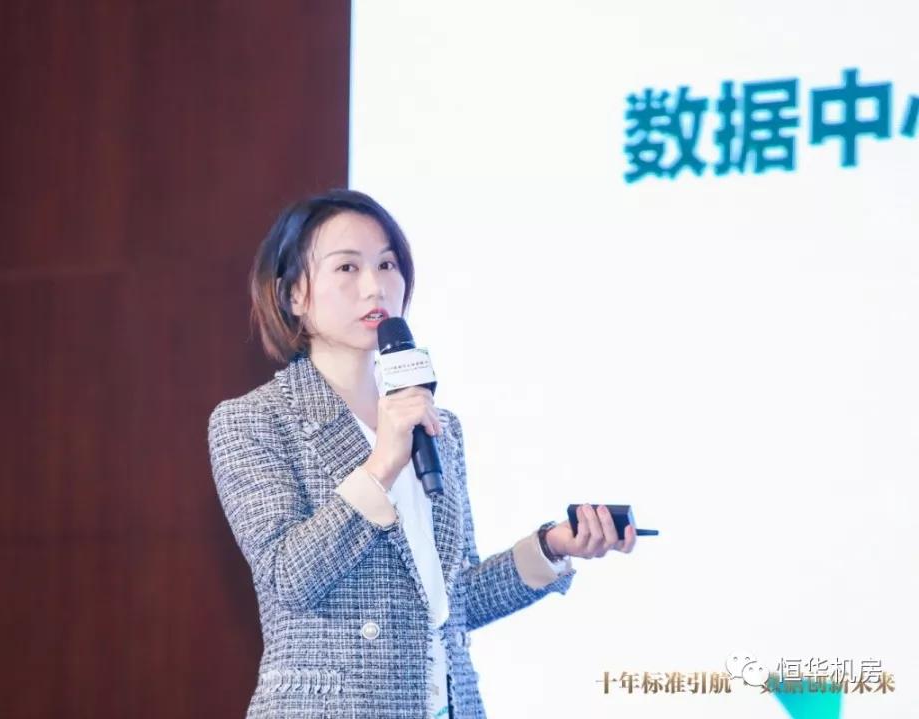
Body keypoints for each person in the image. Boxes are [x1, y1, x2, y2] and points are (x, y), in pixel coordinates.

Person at [207, 189, 637, 719]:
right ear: (293, 294)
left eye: (387, 264)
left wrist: (551, 547)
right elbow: (288, 579)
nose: (375, 286)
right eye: (347, 267)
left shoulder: (438, 426)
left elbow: (453, 601)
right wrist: (382, 464)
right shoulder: (253, 420)